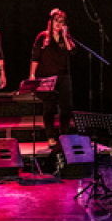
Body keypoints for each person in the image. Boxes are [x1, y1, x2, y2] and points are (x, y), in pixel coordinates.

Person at [29, 8, 76, 147]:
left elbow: (72, 51)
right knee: (49, 107)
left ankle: (64, 135)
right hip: (47, 76)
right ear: (51, 22)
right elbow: (35, 57)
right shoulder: (42, 37)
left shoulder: (65, 38)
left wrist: (65, 36)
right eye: (56, 21)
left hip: (63, 76)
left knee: (66, 107)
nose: (58, 24)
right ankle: (50, 136)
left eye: (61, 22)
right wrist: (32, 75)